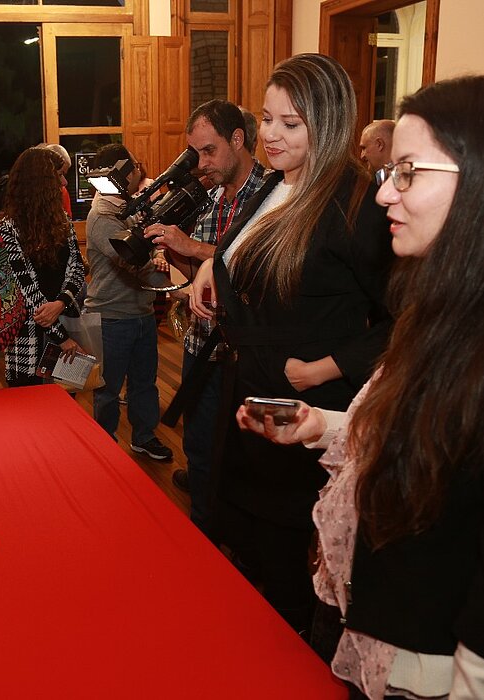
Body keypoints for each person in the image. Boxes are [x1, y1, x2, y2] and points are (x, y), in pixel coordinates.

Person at [237, 75, 484, 700]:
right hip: (388, 628)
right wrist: (325, 425)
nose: (385, 196)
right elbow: (428, 437)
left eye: (407, 172)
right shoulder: (443, 309)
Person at [190, 54, 394, 634]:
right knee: (245, 548)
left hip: (301, 403)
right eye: (266, 118)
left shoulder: (355, 205)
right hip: (250, 391)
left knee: (285, 571)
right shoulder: (276, 184)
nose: (270, 136)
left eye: (290, 124)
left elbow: (405, 320)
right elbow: (246, 247)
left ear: (326, 124)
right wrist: (215, 269)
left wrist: (328, 367)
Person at [144, 99, 267, 531]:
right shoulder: (212, 198)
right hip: (201, 342)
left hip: (244, 355)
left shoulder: (272, 196)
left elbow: (259, 266)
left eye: (209, 151)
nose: (202, 163)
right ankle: (204, 534)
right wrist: (170, 255)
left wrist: (192, 247)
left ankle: (225, 539)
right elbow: (200, 273)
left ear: (238, 140)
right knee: (197, 443)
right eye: (195, 153)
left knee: (238, 452)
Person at [85, 143, 173, 461]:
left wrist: (161, 250)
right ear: (124, 173)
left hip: (141, 311)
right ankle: (104, 443)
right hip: (111, 316)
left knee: (144, 383)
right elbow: (133, 261)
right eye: (135, 166)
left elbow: (152, 240)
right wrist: (176, 289)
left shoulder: (128, 206)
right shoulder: (100, 217)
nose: (139, 170)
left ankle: (144, 436)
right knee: (108, 389)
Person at [0, 147, 85, 386]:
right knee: (29, 411)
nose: (64, 182)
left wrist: (61, 303)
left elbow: (77, 269)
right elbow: (26, 291)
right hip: (28, 338)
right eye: (59, 175)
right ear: (42, 182)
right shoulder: (7, 228)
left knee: (66, 407)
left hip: (68, 323)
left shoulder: (63, 221)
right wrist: (61, 337)